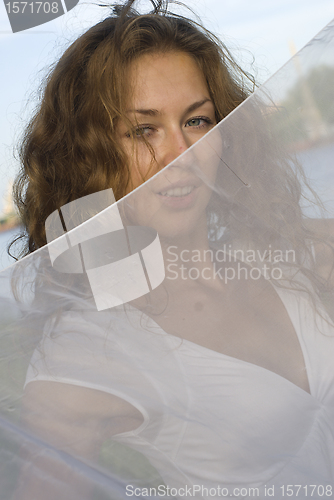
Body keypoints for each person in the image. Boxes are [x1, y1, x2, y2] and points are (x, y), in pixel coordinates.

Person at [5, 0, 334, 498]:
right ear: (91, 154)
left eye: (199, 121)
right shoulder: (93, 347)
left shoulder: (286, 250)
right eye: (143, 130)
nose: (181, 157)